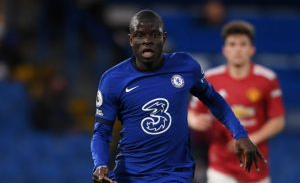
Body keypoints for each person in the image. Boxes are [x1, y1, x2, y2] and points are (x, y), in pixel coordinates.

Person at [91, 10, 265, 183]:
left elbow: (214, 100)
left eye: (154, 34)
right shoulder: (113, 79)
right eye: (140, 35)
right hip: (129, 175)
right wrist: (100, 164)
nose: (147, 41)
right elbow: (102, 132)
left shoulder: (185, 66)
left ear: (163, 38)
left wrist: (240, 134)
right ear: (130, 40)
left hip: (174, 173)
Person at [188, 20, 285, 183]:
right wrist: (193, 120)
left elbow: (278, 120)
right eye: (232, 44)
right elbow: (191, 113)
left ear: (252, 49)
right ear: (224, 50)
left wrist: (250, 139)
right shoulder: (211, 78)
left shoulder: (267, 79)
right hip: (221, 167)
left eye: (243, 44)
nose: (237, 49)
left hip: (256, 168)